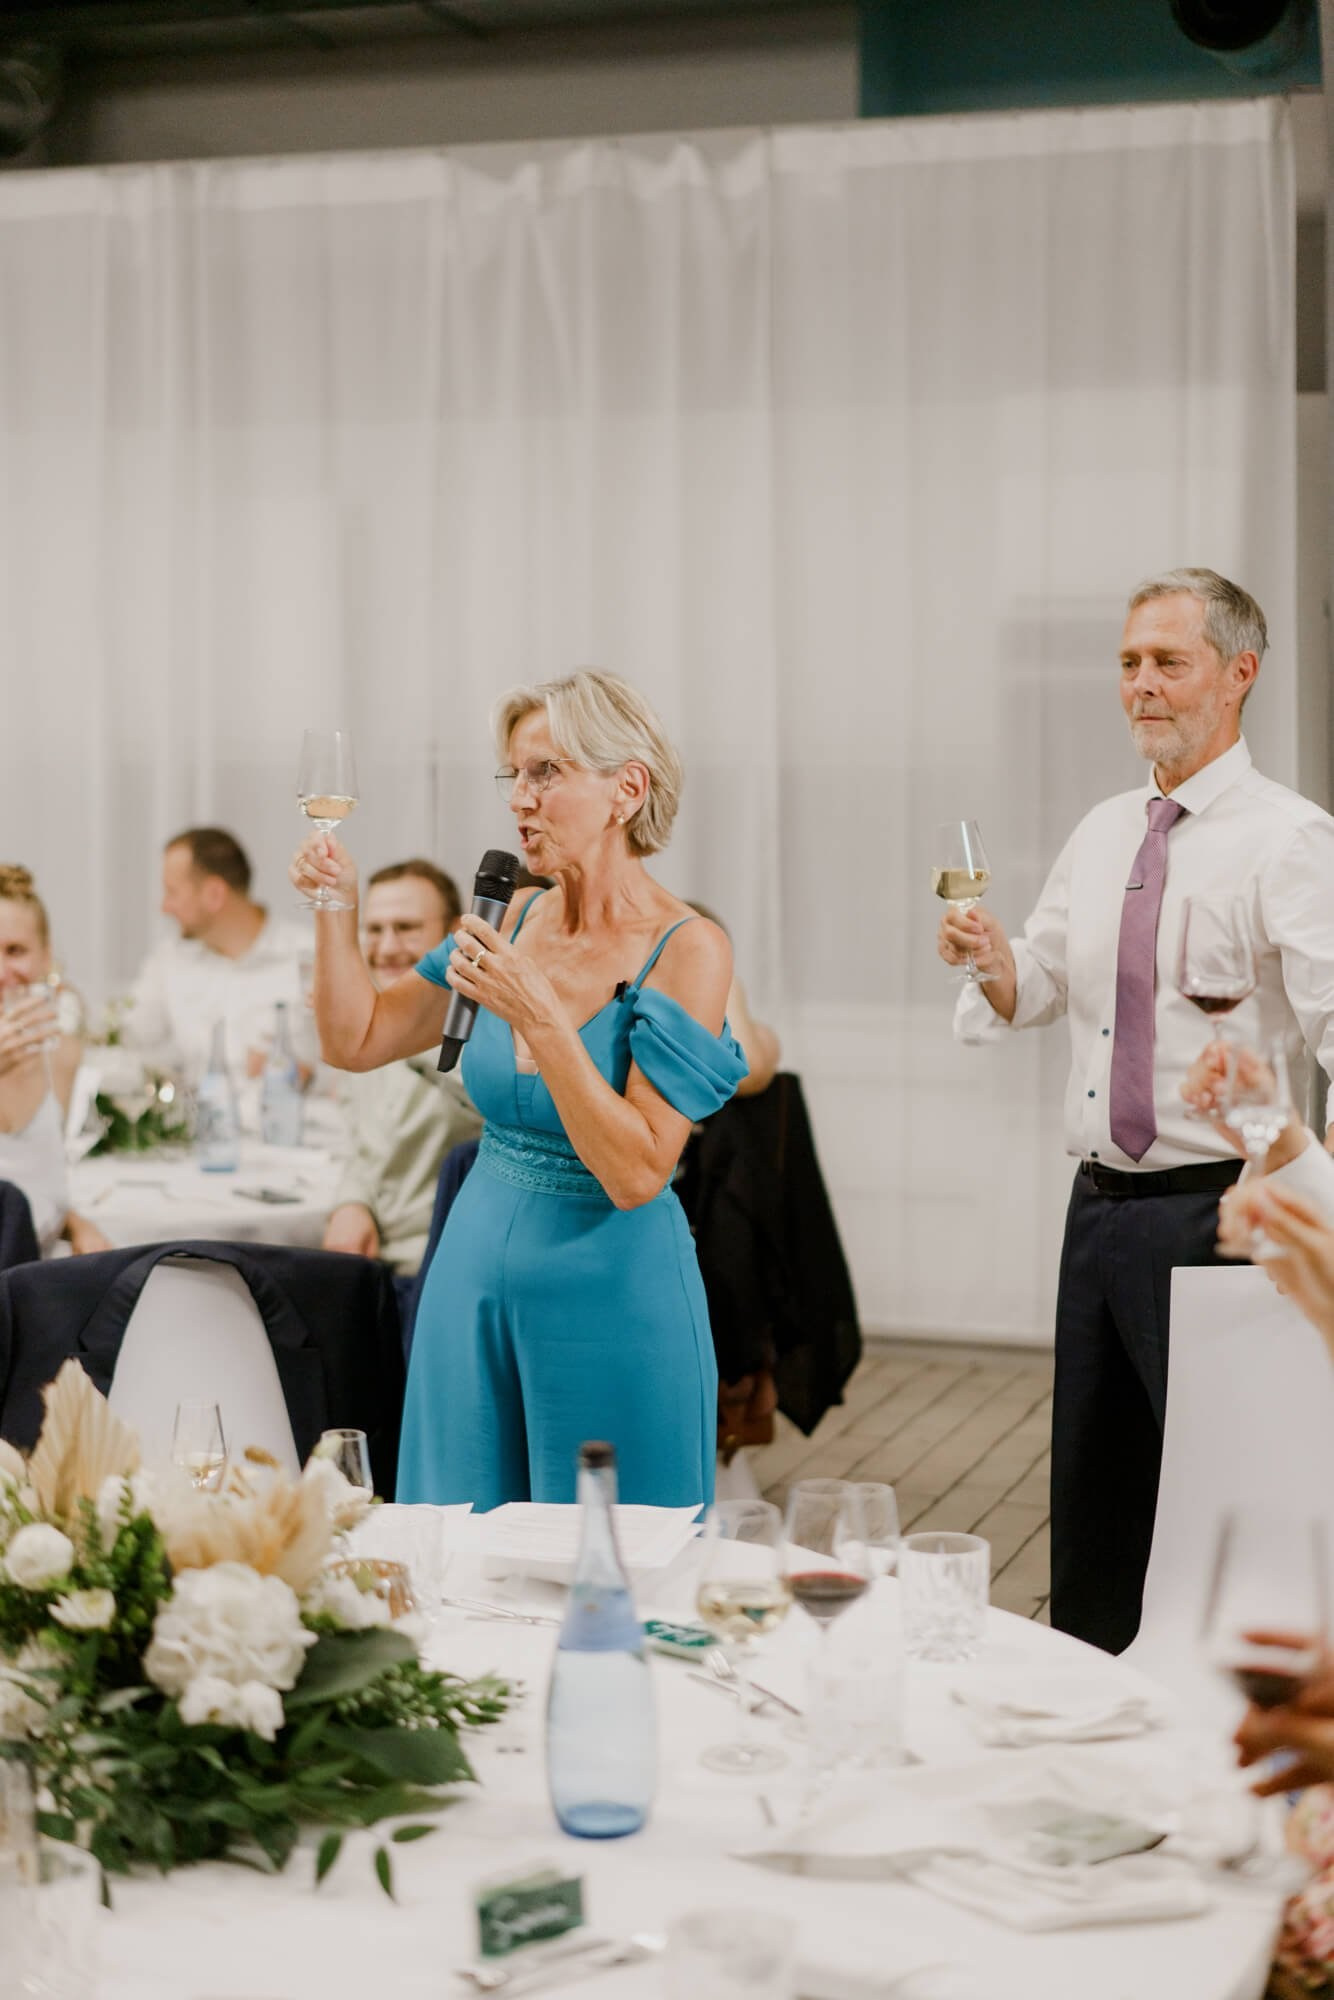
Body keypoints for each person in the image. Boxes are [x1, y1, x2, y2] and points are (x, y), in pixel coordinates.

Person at [938, 568, 1334, 1654]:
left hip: (1221, 1216)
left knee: (1224, 1502)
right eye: (1126, 662)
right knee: (1095, 1498)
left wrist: (1311, 1193)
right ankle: (1091, 1716)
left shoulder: (1288, 839)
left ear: (1237, 673)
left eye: (1167, 661)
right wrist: (989, 960)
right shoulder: (1106, 827)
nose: (1140, 685)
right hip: (1099, 1213)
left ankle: (1234, 1746)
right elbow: (1040, 986)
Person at [294, 670, 747, 1509]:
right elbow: (354, 1038)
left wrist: (540, 1020)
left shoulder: (688, 948)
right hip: (469, 1281)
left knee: (606, 1577)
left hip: (611, 1296)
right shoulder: (513, 918)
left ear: (626, 789)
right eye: (514, 776)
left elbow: (638, 1170)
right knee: (463, 1570)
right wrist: (335, 904)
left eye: (545, 773)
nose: (520, 800)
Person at [323, 859, 482, 1281]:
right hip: (372, 1266)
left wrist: (385, 1039)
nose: (387, 947)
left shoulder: (486, 1020)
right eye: (374, 930)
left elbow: (482, 1102)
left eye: (406, 928)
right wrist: (351, 1202)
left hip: (444, 1269)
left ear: (455, 934)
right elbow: (356, 1142)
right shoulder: (368, 1011)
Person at [121, 827, 316, 1082]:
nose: (164, 907)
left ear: (213, 894)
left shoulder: (310, 954)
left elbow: (351, 1065)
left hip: (294, 1117)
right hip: (200, 1120)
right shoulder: (170, 960)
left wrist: (305, 1075)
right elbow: (127, 1034)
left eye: (172, 892)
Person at [0, 866, 108, 1256]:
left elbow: (34, 1183)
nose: (2, 972)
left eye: (15, 951)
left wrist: (75, 1223)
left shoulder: (62, 1056)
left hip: (30, 1288)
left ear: (46, 958)